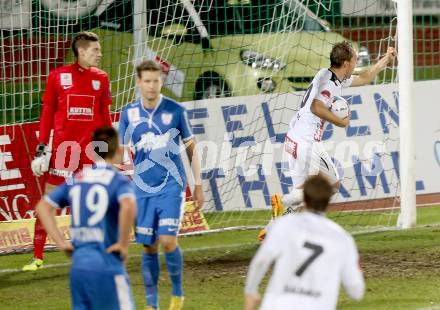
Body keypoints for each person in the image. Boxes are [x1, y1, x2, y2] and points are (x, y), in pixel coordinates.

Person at [258, 41, 397, 240]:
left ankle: (273, 228)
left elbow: (364, 78)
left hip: (293, 138)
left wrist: (385, 61)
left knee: (302, 192)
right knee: (329, 186)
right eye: (355, 60)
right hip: (307, 143)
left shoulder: (329, 75)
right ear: (346, 63)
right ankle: (282, 201)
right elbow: (316, 106)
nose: (356, 63)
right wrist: (340, 122)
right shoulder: (330, 85)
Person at [23, 31, 113, 271]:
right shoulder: (58, 76)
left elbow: (104, 116)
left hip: (91, 153)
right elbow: (47, 114)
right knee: (49, 201)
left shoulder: (102, 78)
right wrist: (42, 147)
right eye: (95, 50)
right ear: (81, 51)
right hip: (64, 152)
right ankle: (38, 256)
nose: (99, 54)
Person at [118, 60, 204, 310]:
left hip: (171, 186)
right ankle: (151, 303)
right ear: (138, 82)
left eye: (156, 81)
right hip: (142, 188)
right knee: (149, 245)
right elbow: (121, 153)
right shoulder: (128, 114)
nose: (152, 86)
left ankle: (177, 294)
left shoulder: (175, 110)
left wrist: (198, 184)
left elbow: (190, 146)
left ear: (161, 82)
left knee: (167, 240)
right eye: (147, 81)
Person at [35, 126, 137, 310]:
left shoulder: (77, 178)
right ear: (118, 150)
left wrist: (62, 243)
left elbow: (43, 207)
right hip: (107, 264)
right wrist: (123, 243)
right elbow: (129, 205)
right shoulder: (119, 181)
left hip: (79, 269)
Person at [245, 175, 365, 310]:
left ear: (304, 199)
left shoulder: (283, 225)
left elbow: (261, 261)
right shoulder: (343, 238)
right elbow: (356, 291)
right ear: (328, 201)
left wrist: (251, 291)